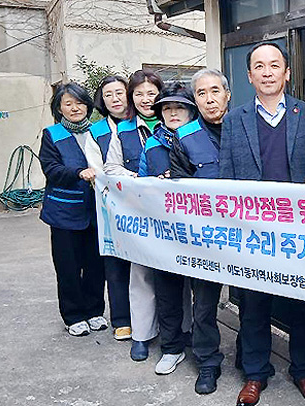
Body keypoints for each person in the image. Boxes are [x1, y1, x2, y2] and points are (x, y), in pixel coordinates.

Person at [220, 42, 305, 406]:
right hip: (252, 232)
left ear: (287, 73)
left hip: (298, 230)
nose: (267, 72)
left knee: (302, 304)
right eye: (260, 66)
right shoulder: (234, 120)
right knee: (253, 305)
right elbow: (226, 177)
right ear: (249, 75)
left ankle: (304, 370)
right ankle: (255, 373)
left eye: (274, 65)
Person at [169, 68, 231, 394]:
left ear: (227, 95)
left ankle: (251, 360)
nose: (209, 99)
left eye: (215, 91)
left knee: (252, 301)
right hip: (206, 237)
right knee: (204, 304)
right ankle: (207, 361)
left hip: (249, 235)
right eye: (201, 93)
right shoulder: (185, 137)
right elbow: (181, 192)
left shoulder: (245, 128)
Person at [138, 82, 197, 376]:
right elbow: (140, 183)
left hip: (202, 233)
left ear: (191, 111)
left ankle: (202, 349)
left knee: (204, 296)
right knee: (167, 292)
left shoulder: (204, 138)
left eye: (180, 107)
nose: (173, 113)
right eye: (167, 108)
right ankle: (171, 348)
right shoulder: (152, 144)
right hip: (165, 232)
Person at [38, 82, 107, 337]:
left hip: (96, 212)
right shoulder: (52, 134)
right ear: (59, 108)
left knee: (95, 264)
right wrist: (78, 172)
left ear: (88, 106)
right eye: (68, 104)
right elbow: (51, 169)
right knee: (68, 266)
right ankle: (73, 315)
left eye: (79, 103)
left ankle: (94, 310)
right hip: (64, 213)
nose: (75, 108)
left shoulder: (98, 131)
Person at [104, 69, 163, 361]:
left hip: (174, 215)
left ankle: (183, 330)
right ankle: (141, 335)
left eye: (151, 93)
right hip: (138, 213)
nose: (145, 99)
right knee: (140, 275)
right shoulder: (123, 130)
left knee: (179, 273)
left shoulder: (175, 121)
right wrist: (139, 179)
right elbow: (111, 167)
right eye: (139, 94)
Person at [92, 75, 132, 341]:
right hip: (111, 206)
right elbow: (98, 171)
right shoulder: (95, 132)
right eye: (108, 94)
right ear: (102, 100)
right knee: (115, 264)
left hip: (144, 207)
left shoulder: (143, 123)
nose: (115, 99)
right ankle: (121, 319)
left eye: (120, 92)